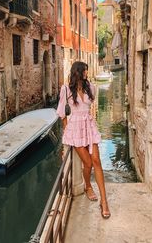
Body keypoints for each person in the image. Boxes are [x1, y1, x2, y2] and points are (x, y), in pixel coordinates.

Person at [56, 61, 111, 219]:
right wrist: (67, 130)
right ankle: (87, 186)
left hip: (89, 126)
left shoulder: (91, 87)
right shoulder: (65, 89)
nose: (87, 73)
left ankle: (104, 202)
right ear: (77, 72)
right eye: (85, 71)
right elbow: (61, 113)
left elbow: (89, 107)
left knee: (97, 161)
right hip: (75, 130)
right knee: (87, 163)